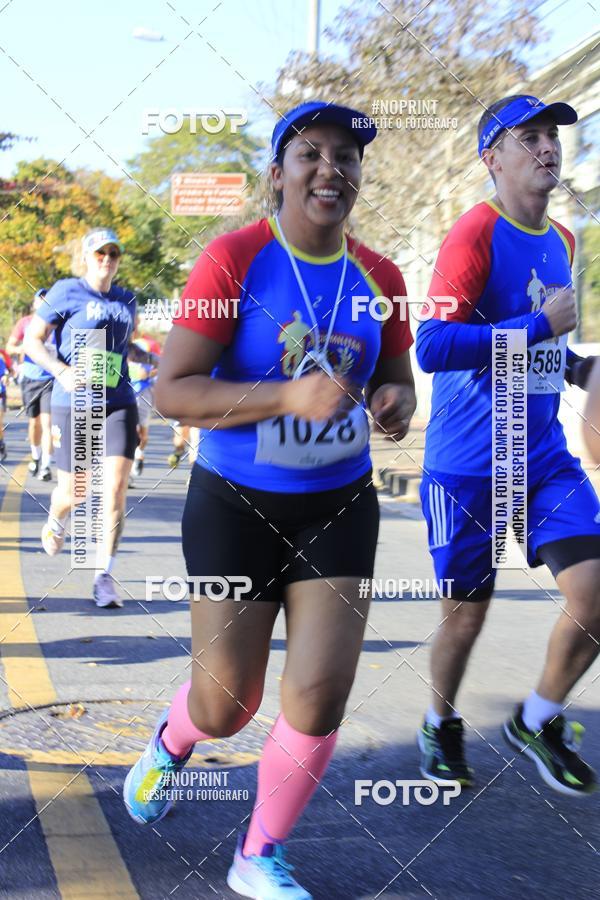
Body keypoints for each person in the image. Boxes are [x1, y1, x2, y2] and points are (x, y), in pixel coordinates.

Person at [123, 100, 416, 899]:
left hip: (339, 504)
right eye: (312, 154)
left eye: (347, 158)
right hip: (234, 502)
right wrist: (287, 396)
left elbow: (398, 383)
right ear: (277, 174)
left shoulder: (380, 277)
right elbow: (172, 392)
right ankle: (173, 742)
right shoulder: (235, 258)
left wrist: (394, 406)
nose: (332, 169)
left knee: (319, 694)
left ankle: (259, 853)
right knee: (226, 704)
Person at [416, 94, 600, 796]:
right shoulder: (474, 234)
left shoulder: (565, 241)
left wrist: (585, 367)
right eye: (529, 137)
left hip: (543, 455)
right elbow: (431, 346)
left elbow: (551, 349)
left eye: (552, 136)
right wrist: (532, 327)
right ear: (493, 158)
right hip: (467, 463)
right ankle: (439, 721)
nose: (547, 147)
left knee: (596, 591)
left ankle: (536, 719)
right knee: (466, 619)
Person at [24, 228, 138, 609]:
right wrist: (61, 371)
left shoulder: (126, 298)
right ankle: (57, 517)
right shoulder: (66, 291)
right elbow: (33, 340)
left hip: (119, 399)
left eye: (113, 253)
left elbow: (125, 345)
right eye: (100, 252)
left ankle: (103, 574)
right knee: (77, 491)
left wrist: (155, 358)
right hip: (77, 400)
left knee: (116, 489)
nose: (107, 258)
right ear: (87, 257)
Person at [7, 289, 56, 480]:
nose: (44, 302)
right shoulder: (25, 323)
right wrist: (24, 347)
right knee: (34, 423)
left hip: (51, 379)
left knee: (48, 424)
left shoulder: (57, 324)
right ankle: (36, 457)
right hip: (30, 378)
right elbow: (10, 346)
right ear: (35, 304)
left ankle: (45, 465)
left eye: (47, 300)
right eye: (40, 300)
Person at [127, 337, 159, 485]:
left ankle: (139, 454)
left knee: (142, 435)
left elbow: (159, 365)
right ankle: (128, 474)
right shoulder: (117, 344)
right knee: (130, 432)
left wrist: (150, 373)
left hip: (144, 394)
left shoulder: (147, 347)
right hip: (126, 394)